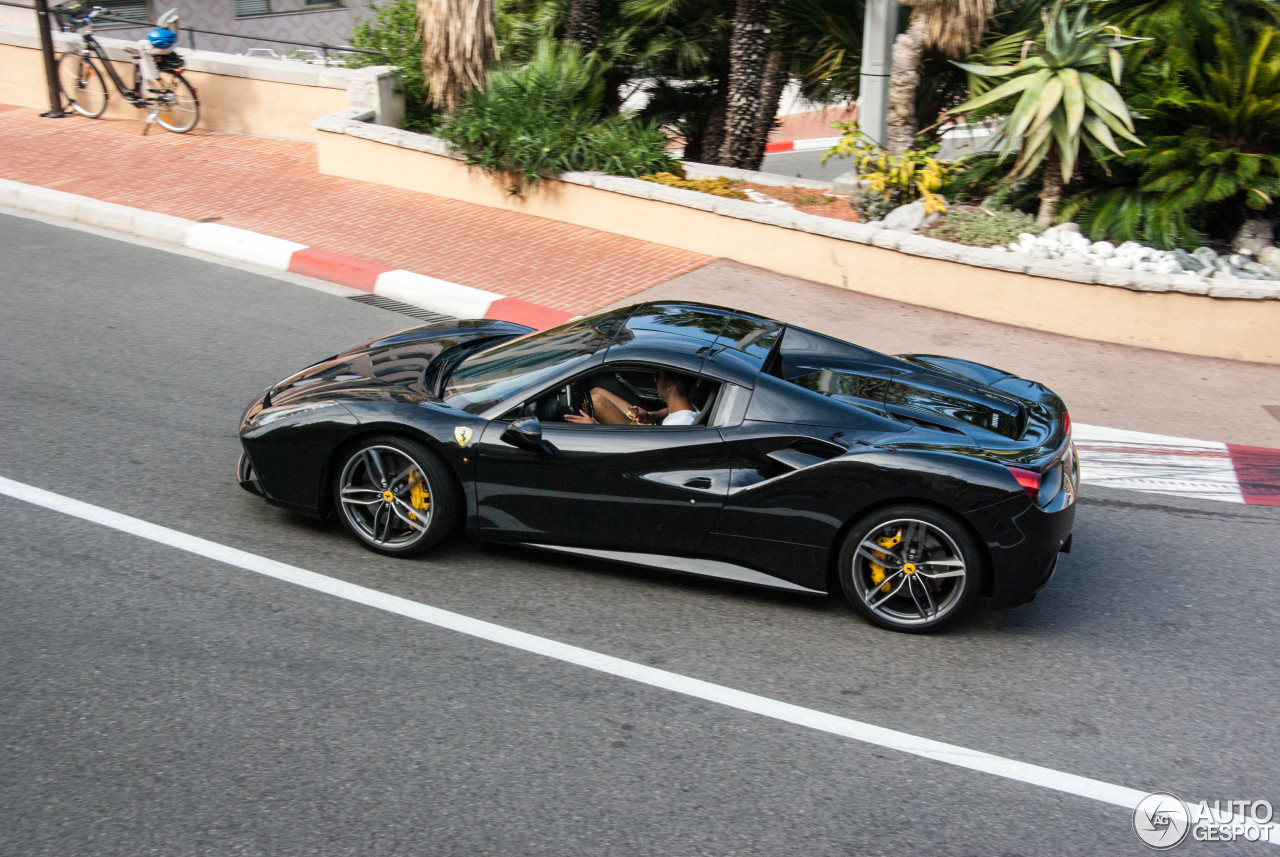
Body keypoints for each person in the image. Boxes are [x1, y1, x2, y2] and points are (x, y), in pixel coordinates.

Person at [565, 369, 699, 426]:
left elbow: (640, 451)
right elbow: (670, 412)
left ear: (670, 385)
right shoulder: (689, 408)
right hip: (651, 429)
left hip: (643, 437)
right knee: (597, 391)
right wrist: (650, 415)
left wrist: (594, 426)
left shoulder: (676, 427)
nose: (654, 379)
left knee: (596, 401)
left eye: (658, 376)